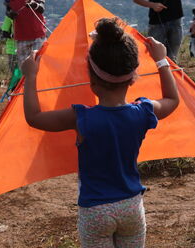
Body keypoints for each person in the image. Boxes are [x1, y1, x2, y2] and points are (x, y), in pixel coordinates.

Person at [21, 18, 180, 248]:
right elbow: (172, 100)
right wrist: (161, 60)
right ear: (133, 78)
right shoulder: (143, 112)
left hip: (95, 211)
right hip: (131, 207)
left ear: (92, 81)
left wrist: (31, 76)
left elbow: (34, 117)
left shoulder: (81, 117)